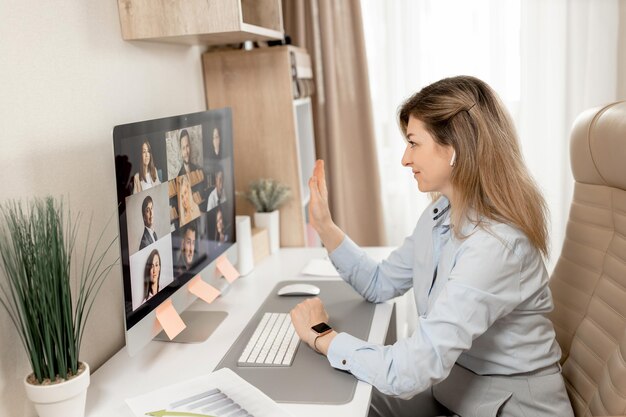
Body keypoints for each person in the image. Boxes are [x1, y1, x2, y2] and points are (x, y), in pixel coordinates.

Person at [289, 76, 574, 417]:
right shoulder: (440, 215)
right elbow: (380, 284)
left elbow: (412, 370)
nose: (405, 159)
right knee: (335, 400)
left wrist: (322, 336)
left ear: (453, 149)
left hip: (509, 407)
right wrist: (324, 225)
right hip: (456, 392)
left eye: (413, 143)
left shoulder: (496, 245)